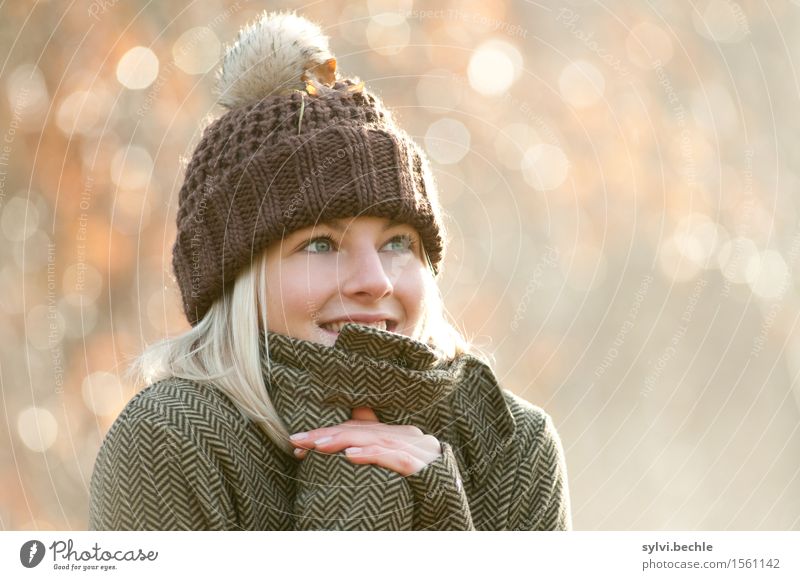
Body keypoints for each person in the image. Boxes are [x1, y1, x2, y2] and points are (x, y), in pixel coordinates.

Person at [88, 11, 572, 531]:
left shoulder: (512, 444)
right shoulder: (171, 438)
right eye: (320, 243)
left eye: (397, 243)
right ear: (237, 278)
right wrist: (352, 505)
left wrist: (440, 514)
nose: (375, 280)